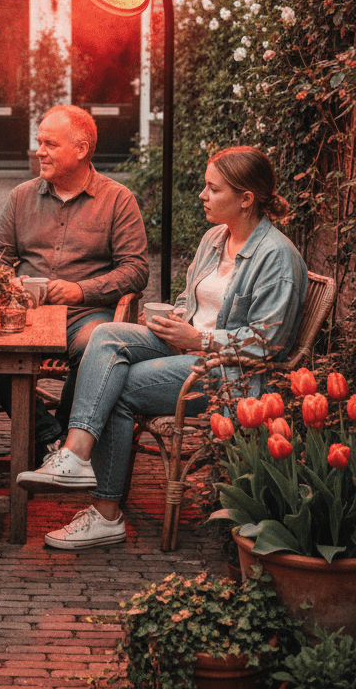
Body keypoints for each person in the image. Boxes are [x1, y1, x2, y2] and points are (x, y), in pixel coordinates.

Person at [16, 145, 309, 550]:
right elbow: (196, 306)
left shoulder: (276, 257)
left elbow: (269, 343)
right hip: (187, 348)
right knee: (105, 334)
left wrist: (200, 340)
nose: (202, 196)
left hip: (227, 373)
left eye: (212, 189)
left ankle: (104, 513)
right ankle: (76, 453)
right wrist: (174, 321)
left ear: (246, 199)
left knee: (114, 385)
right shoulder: (214, 239)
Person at [0, 105, 149, 462]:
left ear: (82, 149)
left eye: (50, 144)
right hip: (25, 315)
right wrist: (11, 283)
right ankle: (49, 433)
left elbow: (135, 270)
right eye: (39, 142)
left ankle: (66, 441)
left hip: (86, 316)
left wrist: (80, 290)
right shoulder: (21, 196)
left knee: (95, 345)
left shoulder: (118, 199)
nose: (39, 151)